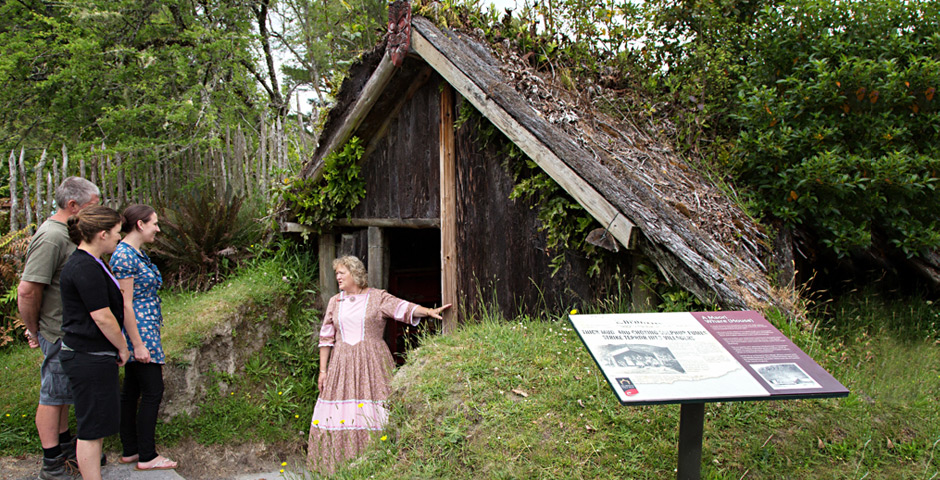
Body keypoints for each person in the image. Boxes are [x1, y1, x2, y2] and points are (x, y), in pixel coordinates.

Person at [307, 255, 452, 474]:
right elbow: (326, 337)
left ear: (355, 274)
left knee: (377, 409)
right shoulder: (335, 302)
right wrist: (323, 370)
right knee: (341, 410)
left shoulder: (377, 298)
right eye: (336, 273)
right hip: (341, 363)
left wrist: (428, 311)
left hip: (372, 361)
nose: (337, 277)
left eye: (341, 273)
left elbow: (403, 308)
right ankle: (338, 466)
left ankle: (378, 462)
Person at [17, 176, 99, 479]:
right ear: (73, 204)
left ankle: (65, 449)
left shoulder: (68, 232)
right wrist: (35, 330)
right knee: (52, 396)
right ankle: (51, 461)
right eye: (92, 205)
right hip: (55, 331)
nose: (97, 210)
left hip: (69, 330)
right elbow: (28, 290)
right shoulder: (51, 236)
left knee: (63, 393)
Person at [58, 205, 129, 480]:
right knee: (91, 428)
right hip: (88, 356)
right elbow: (102, 317)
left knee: (96, 425)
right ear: (101, 234)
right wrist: (122, 347)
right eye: (116, 232)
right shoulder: (83, 266)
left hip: (93, 355)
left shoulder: (93, 262)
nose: (118, 238)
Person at [109, 204, 178, 471]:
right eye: (154, 224)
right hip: (139, 331)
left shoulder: (134, 253)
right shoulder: (125, 256)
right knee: (153, 391)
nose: (158, 229)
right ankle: (147, 456)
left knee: (133, 391)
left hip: (144, 329)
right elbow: (125, 303)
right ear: (140, 225)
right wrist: (136, 344)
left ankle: (131, 449)